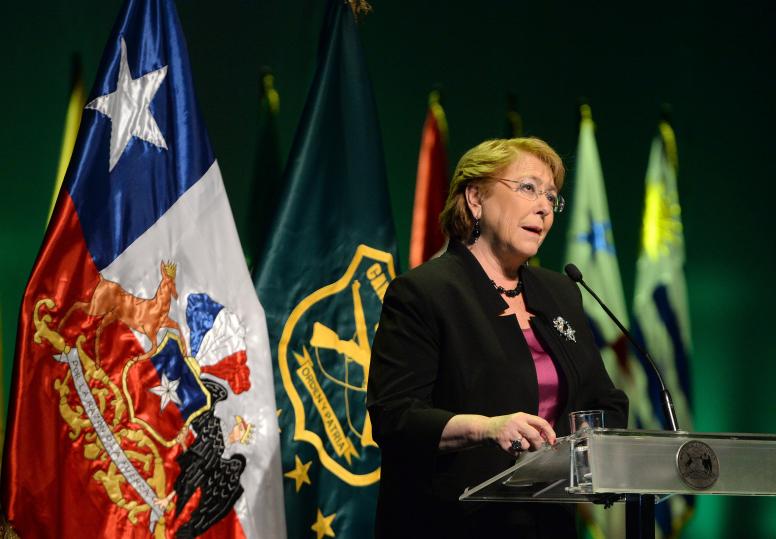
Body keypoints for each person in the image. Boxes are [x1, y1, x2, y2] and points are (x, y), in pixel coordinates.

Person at [367, 137, 628, 538]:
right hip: (452, 523)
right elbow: (395, 417)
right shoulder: (425, 292)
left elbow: (604, 402)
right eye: (527, 188)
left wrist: (578, 445)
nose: (543, 206)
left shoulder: (560, 292)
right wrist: (487, 428)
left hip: (547, 522)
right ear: (475, 198)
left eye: (551, 197)